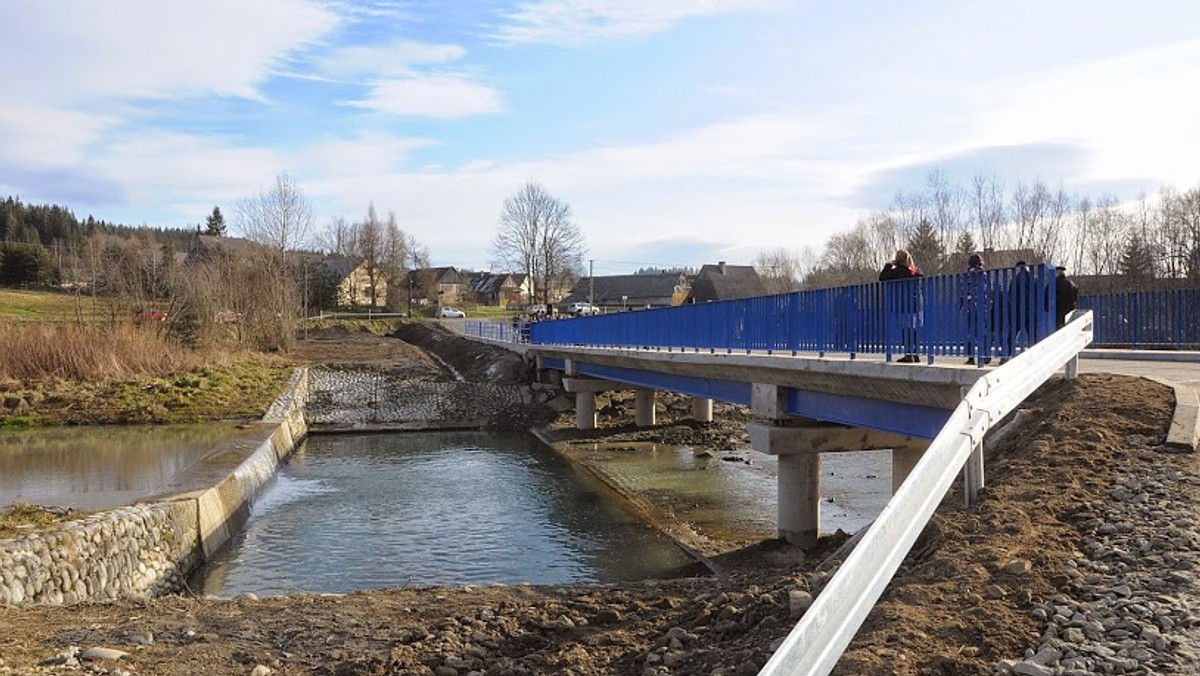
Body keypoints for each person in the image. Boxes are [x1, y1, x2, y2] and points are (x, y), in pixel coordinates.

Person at [879, 249, 923, 363]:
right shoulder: (915, 270)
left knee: (906, 330)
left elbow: (882, 277)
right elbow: (922, 276)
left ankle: (908, 355)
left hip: (904, 305)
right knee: (914, 330)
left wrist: (889, 265)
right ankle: (916, 354)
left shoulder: (898, 271)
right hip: (917, 305)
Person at [961, 253, 992, 365]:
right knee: (983, 332)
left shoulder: (966, 275)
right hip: (982, 307)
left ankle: (971, 357)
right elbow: (989, 290)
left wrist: (962, 307)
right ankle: (985, 355)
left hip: (969, 308)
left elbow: (962, 292)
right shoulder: (984, 274)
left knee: (970, 332)